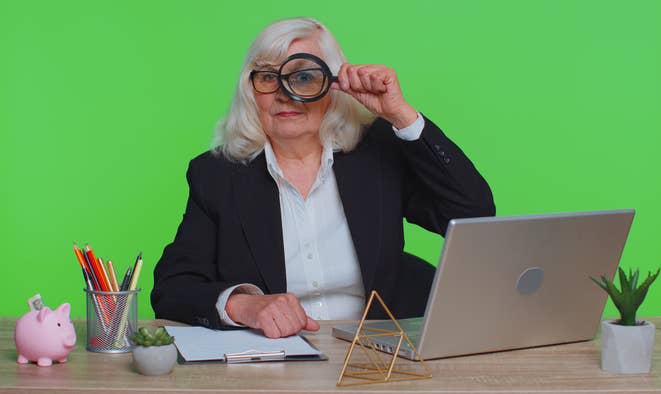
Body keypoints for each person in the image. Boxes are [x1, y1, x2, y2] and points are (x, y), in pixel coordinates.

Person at [151, 17, 494, 338]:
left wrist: (401, 115)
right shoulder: (217, 175)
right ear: (251, 90)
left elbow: (472, 211)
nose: (284, 93)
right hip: (274, 359)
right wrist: (244, 304)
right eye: (268, 77)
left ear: (333, 86)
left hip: (373, 359)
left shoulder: (377, 155)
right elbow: (173, 287)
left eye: (304, 76)